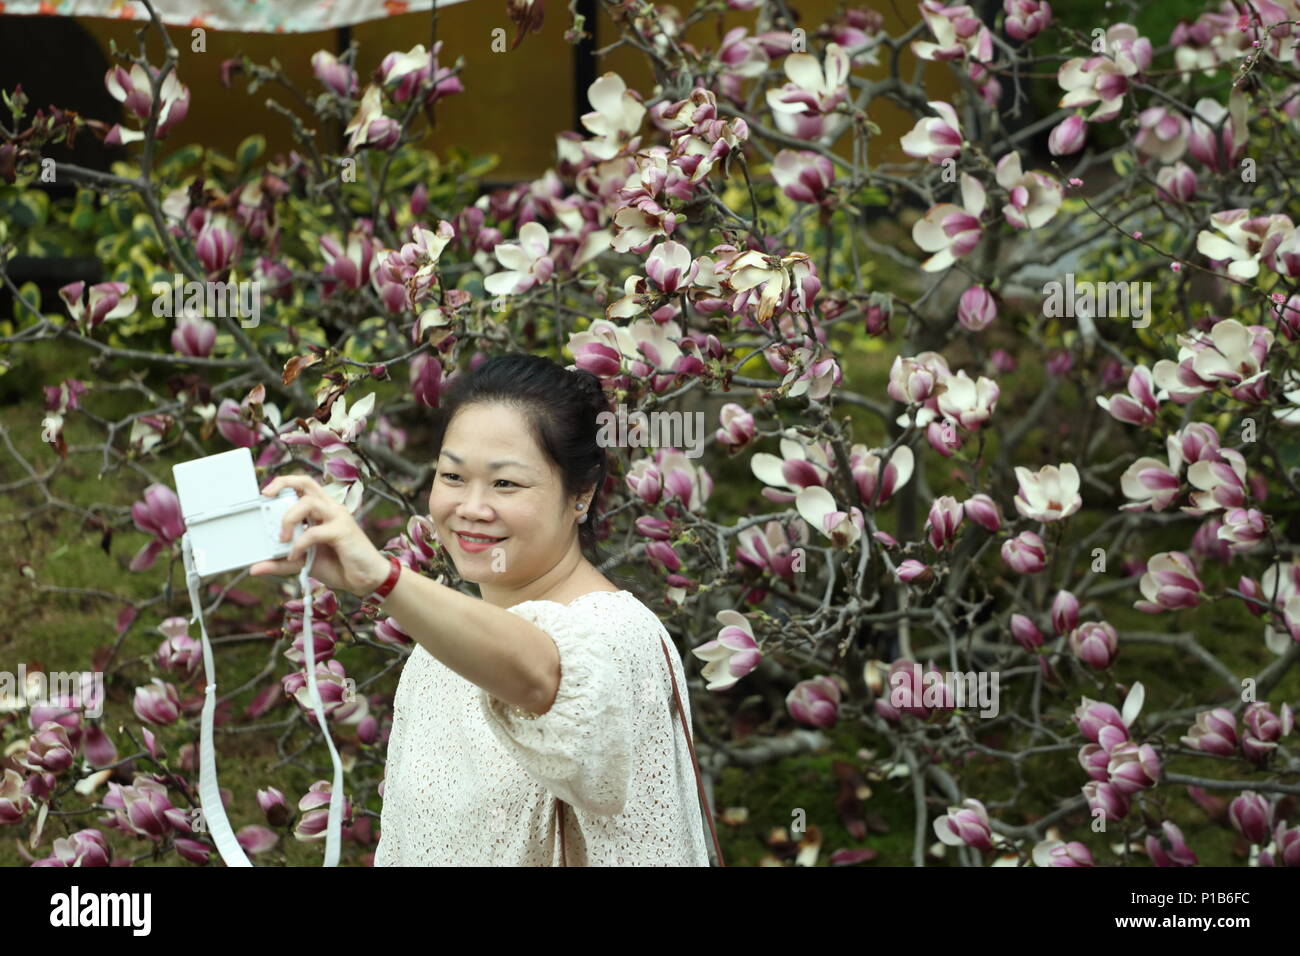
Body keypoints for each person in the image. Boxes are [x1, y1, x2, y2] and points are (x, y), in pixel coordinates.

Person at [250, 352, 711, 866]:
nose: (471, 508)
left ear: (580, 495)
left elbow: (544, 679)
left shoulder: (619, 634)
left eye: (505, 483)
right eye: (452, 476)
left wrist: (385, 580)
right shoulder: (434, 656)